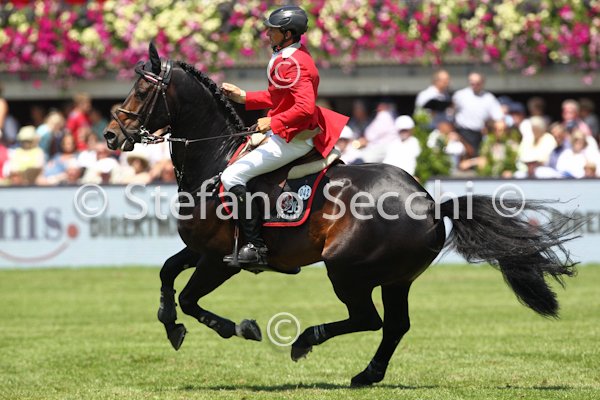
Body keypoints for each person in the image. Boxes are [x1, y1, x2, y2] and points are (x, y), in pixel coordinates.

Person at [219, 5, 349, 264]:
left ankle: (256, 247)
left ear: (288, 34)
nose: (267, 33)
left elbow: (304, 108)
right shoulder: (290, 56)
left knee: (232, 175)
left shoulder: (294, 63)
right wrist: (244, 97)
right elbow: (280, 96)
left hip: (293, 138)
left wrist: (273, 121)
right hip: (287, 132)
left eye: (273, 30)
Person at [452, 72, 504, 156]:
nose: (475, 85)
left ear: (482, 83)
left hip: (479, 134)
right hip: (462, 132)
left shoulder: (489, 98)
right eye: (472, 83)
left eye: (477, 83)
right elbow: (450, 113)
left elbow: (498, 117)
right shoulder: (460, 95)